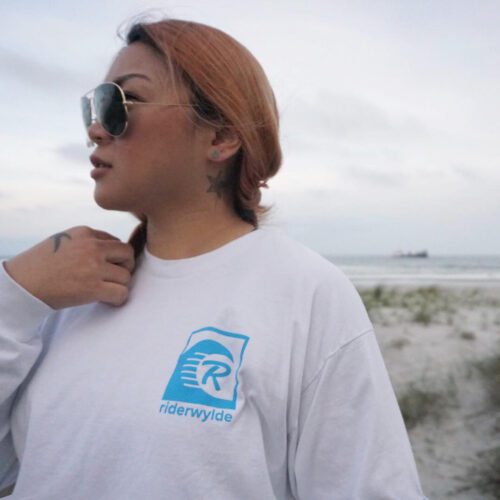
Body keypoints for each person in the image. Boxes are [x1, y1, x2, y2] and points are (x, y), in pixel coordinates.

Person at [0, 15, 427, 500]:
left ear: (222, 137)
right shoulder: (67, 289)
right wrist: (15, 293)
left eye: (122, 102)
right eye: (93, 107)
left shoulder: (303, 294)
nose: (97, 130)